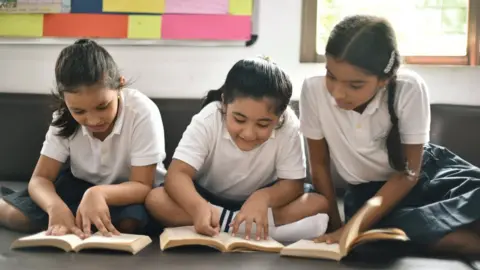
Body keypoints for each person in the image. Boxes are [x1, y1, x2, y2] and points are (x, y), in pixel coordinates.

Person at [300, 14, 480, 256]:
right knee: (395, 236)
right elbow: (319, 165)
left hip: (427, 176)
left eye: (355, 85)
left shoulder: (409, 88)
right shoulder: (313, 90)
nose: (338, 93)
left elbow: (409, 173)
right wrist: (337, 226)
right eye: (331, 76)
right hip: (369, 199)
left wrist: (351, 228)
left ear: (384, 79)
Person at [146, 56, 329, 242]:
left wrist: (263, 197)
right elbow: (177, 174)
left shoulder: (288, 125)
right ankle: (259, 230)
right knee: (156, 199)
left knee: (318, 203)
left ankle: (235, 226)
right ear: (224, 103)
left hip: (264, 203)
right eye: (239, 120)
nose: (248, 134)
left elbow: (293, 184)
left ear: (280, 116)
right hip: (208, 200)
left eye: (263, 124)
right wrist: (197, 207)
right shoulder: (209, 118)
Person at [0, 39, 167, 238]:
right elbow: (40, 178)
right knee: (16, 217)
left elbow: (142, 185)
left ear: (119, 85)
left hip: (129, 192)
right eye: (78, 111)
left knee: (128, 224)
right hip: (79, 185)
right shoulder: (63, 118)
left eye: (102, 106)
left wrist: (98, 193)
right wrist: (55, 207)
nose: (94, 120)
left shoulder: (141, 112)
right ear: (65, 100)